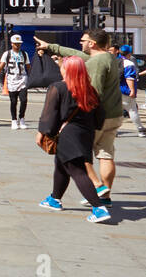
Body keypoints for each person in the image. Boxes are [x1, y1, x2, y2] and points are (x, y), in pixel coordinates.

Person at [37, 29, 123, 206]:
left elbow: (94, 92)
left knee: (79, 155)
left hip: (99, 116)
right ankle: (104, 196)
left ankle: (97, 188)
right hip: (114, 114)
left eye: (84, 40)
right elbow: (77, 56)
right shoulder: (108, 58)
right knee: (105, 154)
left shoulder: (97, 63)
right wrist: (51, 47)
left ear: (92, 43)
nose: (81, 43)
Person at [36, 55, 110, 223]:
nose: (60, 68)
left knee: (77, 171)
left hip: (68, 135)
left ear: (67, 70)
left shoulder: (57, 88)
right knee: (62, 165)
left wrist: (42, 132)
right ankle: (55, 199)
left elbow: (50, 115)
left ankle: (99, 208)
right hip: (85, 134)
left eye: (62, 66)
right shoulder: (90, 90)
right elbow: (100, 117)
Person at [0, 34, 31, 128]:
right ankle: (14, 120)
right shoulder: (7, 54)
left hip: (22, 79)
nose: (17, 45)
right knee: (13, 101)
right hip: (11, 80)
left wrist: (32, 78)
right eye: (16, 44)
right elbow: (0, 67)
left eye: (19, 43)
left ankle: (22, 118)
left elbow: (28, 67)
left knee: (24, 100)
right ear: (12, 44)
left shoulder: (24, 54)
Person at [117, 45, 146, 136]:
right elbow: (130, 78)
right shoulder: (128, 63)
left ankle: (113, 130)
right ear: (129, 53)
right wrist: (132, 90)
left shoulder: (114, 61)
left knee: (116, 112)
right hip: (125, 90)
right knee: (132, 110)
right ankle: (140, 129)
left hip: (114, 90)